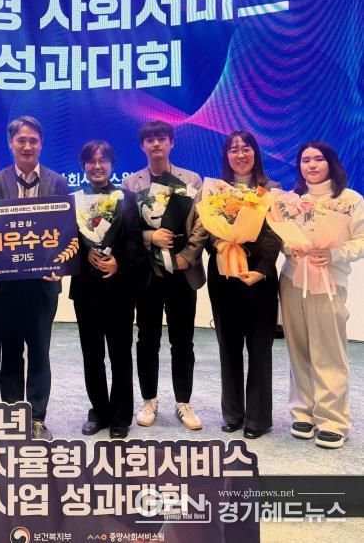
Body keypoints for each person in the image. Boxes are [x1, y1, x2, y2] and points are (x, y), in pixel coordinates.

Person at [0, 116, 68, 440]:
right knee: (10, 351)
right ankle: (13, 415)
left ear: (41, 144)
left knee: (40, 351)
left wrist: (61, 265)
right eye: (21, 140)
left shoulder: (58, 182)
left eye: (33, 140)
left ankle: (37, 417)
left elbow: (65, 233)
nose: (27, 146)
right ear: (11, 144)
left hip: (43, 285)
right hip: (7, 286)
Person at [123, 120, 206, 431]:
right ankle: (149, 399)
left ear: (171, 143)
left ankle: (184, 401)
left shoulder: (191, 180)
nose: (156, 144)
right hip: (147, 272)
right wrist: (150, 237)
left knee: (183, 339)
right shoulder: (131, 183)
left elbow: (202, 224)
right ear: (142, 145)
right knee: (147, 339)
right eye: (150, 140)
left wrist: (187, 256)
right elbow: (126, 228)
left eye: (161, 138)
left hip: (182, 271)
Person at [280, 142, 364, 449]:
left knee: (329, 351)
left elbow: (361, 240)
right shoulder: (291, 201)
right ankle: (303, 411)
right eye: (305, 160)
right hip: (292, 281)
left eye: (318, 159)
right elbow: (281, 237)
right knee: (298, 348)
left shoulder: (350, 200)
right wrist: (289, 247)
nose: (312, 165)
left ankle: (332, 420)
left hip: (329, 282)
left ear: (331, 162)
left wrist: (334, 253)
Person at [205, 130, 281, 439]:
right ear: (226, 156)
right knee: (229, 347)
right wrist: (222, 244)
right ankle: (233, 414)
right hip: (224, 276)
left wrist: (261, 269)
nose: (240, 154)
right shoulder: (215, 190)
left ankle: (258, 419)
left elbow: (275, 234)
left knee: (260, 349)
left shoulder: (271, 190)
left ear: (255, 153)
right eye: (233, 149)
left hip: (259, 279)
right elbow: (206, 228)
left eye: (246, 148)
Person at [70, 141, 143, 439]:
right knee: (92, 354)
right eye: (91, 161)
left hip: (119, 288)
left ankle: (121, 416)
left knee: (120, 353)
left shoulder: (126, 198)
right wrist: (84, 253)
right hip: (86, 288)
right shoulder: (74, 200)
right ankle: (99, 411)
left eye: (103, 160)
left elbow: (135, 238)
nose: (97, 166)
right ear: (83, 166)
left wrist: (118, 262)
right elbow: (65, 240)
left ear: (112, 164)